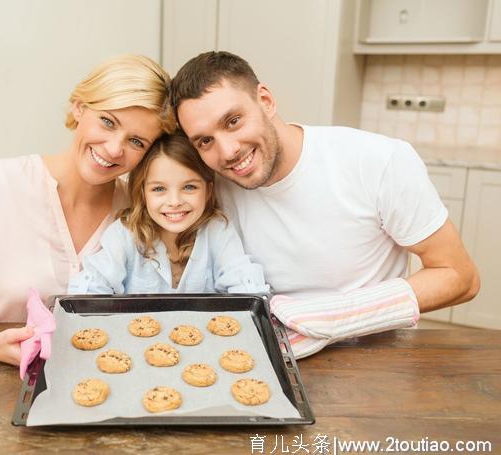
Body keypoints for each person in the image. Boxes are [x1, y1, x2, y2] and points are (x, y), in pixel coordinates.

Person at [169, 51, 480, 358]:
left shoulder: (378, 161)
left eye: (233, 121)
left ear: (265, 100)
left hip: (373, 358)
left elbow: (460, 276)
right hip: (266, 355)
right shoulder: (209, 187)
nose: (228, 151)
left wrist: (333, 317)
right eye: (204, 141)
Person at [0, 54, 176, 366]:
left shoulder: (140, 212)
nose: (113, 149)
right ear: (79, 108)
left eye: (136, 141)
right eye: (107, 121)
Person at [67, 131, 268, 295]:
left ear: (208, 191)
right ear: (143, 192)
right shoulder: (124, 234)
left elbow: (245, 285)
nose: (174, 202)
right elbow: (91, 287)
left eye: (189, 187)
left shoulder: (217, 231)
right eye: (159, 189)